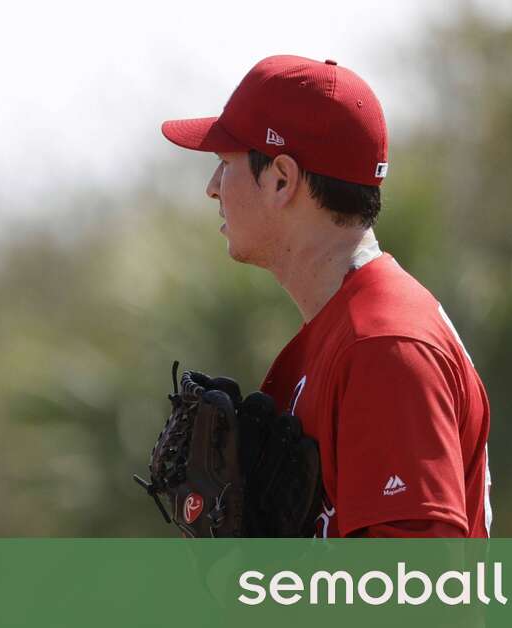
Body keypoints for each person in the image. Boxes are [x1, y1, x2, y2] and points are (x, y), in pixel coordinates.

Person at [160, 55, 490, 538]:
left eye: (224, 163)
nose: (213, 188)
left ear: (281, 180)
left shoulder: (383, 345)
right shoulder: (344, 331)